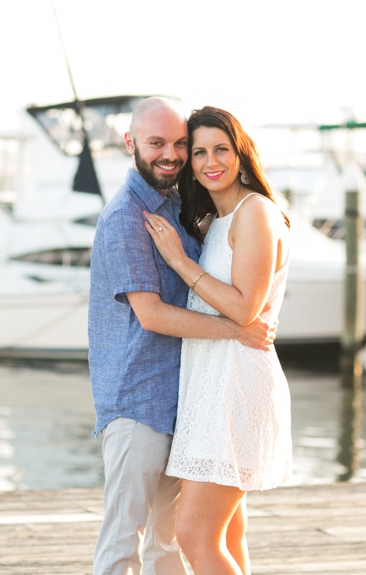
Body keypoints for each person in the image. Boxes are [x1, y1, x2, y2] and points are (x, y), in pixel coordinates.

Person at [88, 97, 277, 575]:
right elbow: (150, 316)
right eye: (157, 143)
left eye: (179, 144)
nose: (171, 154)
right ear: (130, 143)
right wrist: (236, 327)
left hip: (189, 402)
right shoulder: (127, 218)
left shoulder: (181, 206)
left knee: (169, 544)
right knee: (121, 542)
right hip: (138, 402)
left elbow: (237, 283)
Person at [143, 106, 292, 575]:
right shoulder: (217, 220)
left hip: (237, 387)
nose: (210, 161)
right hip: (212, 386)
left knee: (194, 535)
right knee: (228, 534)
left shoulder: (256, 213)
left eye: (221, 149)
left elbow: (245, 307)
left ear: (240, 153)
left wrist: (178, 261)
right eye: (200, 151)